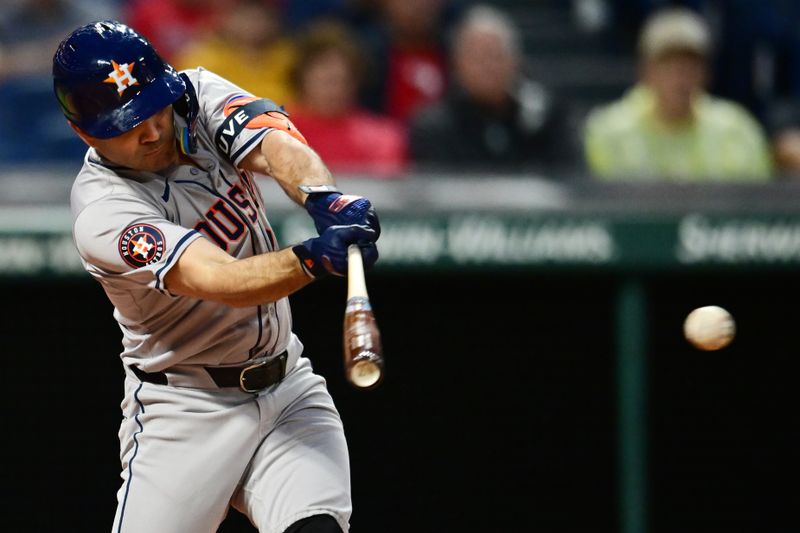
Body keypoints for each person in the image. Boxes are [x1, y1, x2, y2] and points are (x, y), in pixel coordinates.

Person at [53, 20, 380, 533]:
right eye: (126, 124)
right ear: (83, 131)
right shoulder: (102, 210)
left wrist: (323, 196)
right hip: (185, 411)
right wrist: (310, 260)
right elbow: (219, 279)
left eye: (152, 107)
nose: (152, 130)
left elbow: (276, 145)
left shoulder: (195, 92)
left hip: (286, 389)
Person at [584, 7, 773, 181]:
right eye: (668, 67)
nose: (679, 79)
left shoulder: (737, 130)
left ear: (706, 73)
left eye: (689, 67)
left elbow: (754, 205)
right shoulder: (609, 131)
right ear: (645, 71)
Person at [408, 4, 572, 173]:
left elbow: (566, 178)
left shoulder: (543, 118)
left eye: (496, 56)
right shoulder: (434, 127)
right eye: (477, 57)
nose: (487, 67)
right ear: (457, 65)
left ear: (516, 62)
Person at [287, 22, 408, 177]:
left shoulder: (383, 138)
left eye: (342, 80)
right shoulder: (271, 132)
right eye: (326, 81)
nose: (334, 90)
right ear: (301, 78)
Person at [173, 0, 297, 106]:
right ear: (225, 19)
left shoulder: (287, 56)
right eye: (245, 17)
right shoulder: (201, 57)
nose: (253, 25)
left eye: (260, 17)